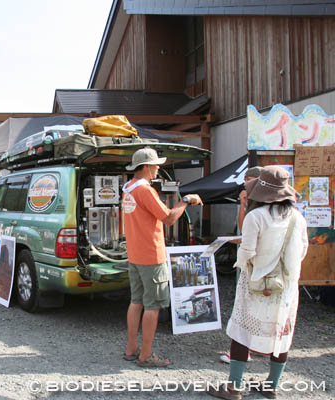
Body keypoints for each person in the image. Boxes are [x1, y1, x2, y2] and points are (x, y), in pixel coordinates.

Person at [207, 166, 308, 400]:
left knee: (242, 332)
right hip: (286, 285)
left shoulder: (256, 216)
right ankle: (271, 385)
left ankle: (234, 387)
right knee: (281, 332)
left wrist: (245, 265)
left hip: (255, 282)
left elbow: (247, 251)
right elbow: (303, 249)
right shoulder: (297, 217)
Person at [121, 148, 203, 368]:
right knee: (153, 305)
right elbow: (169, 218)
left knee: (136, 301)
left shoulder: (128, 188)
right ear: (147, 167)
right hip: (151, 255)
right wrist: (186, 200)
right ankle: (146, 355)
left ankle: (131, 348)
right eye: (156, 164)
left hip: (135, 253)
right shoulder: (145, 190)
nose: (158, 168)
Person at [220, 165, 263, 364]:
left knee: (246, 308)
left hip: (255, 262)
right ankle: (261, 347)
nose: (245, 184)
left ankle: (243, 352)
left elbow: (245, 232)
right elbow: (242, 227)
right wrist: (244, 203)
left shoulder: (261, 207)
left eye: (248, 180)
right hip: (266, 263)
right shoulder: (273, 206)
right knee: (259, 306)